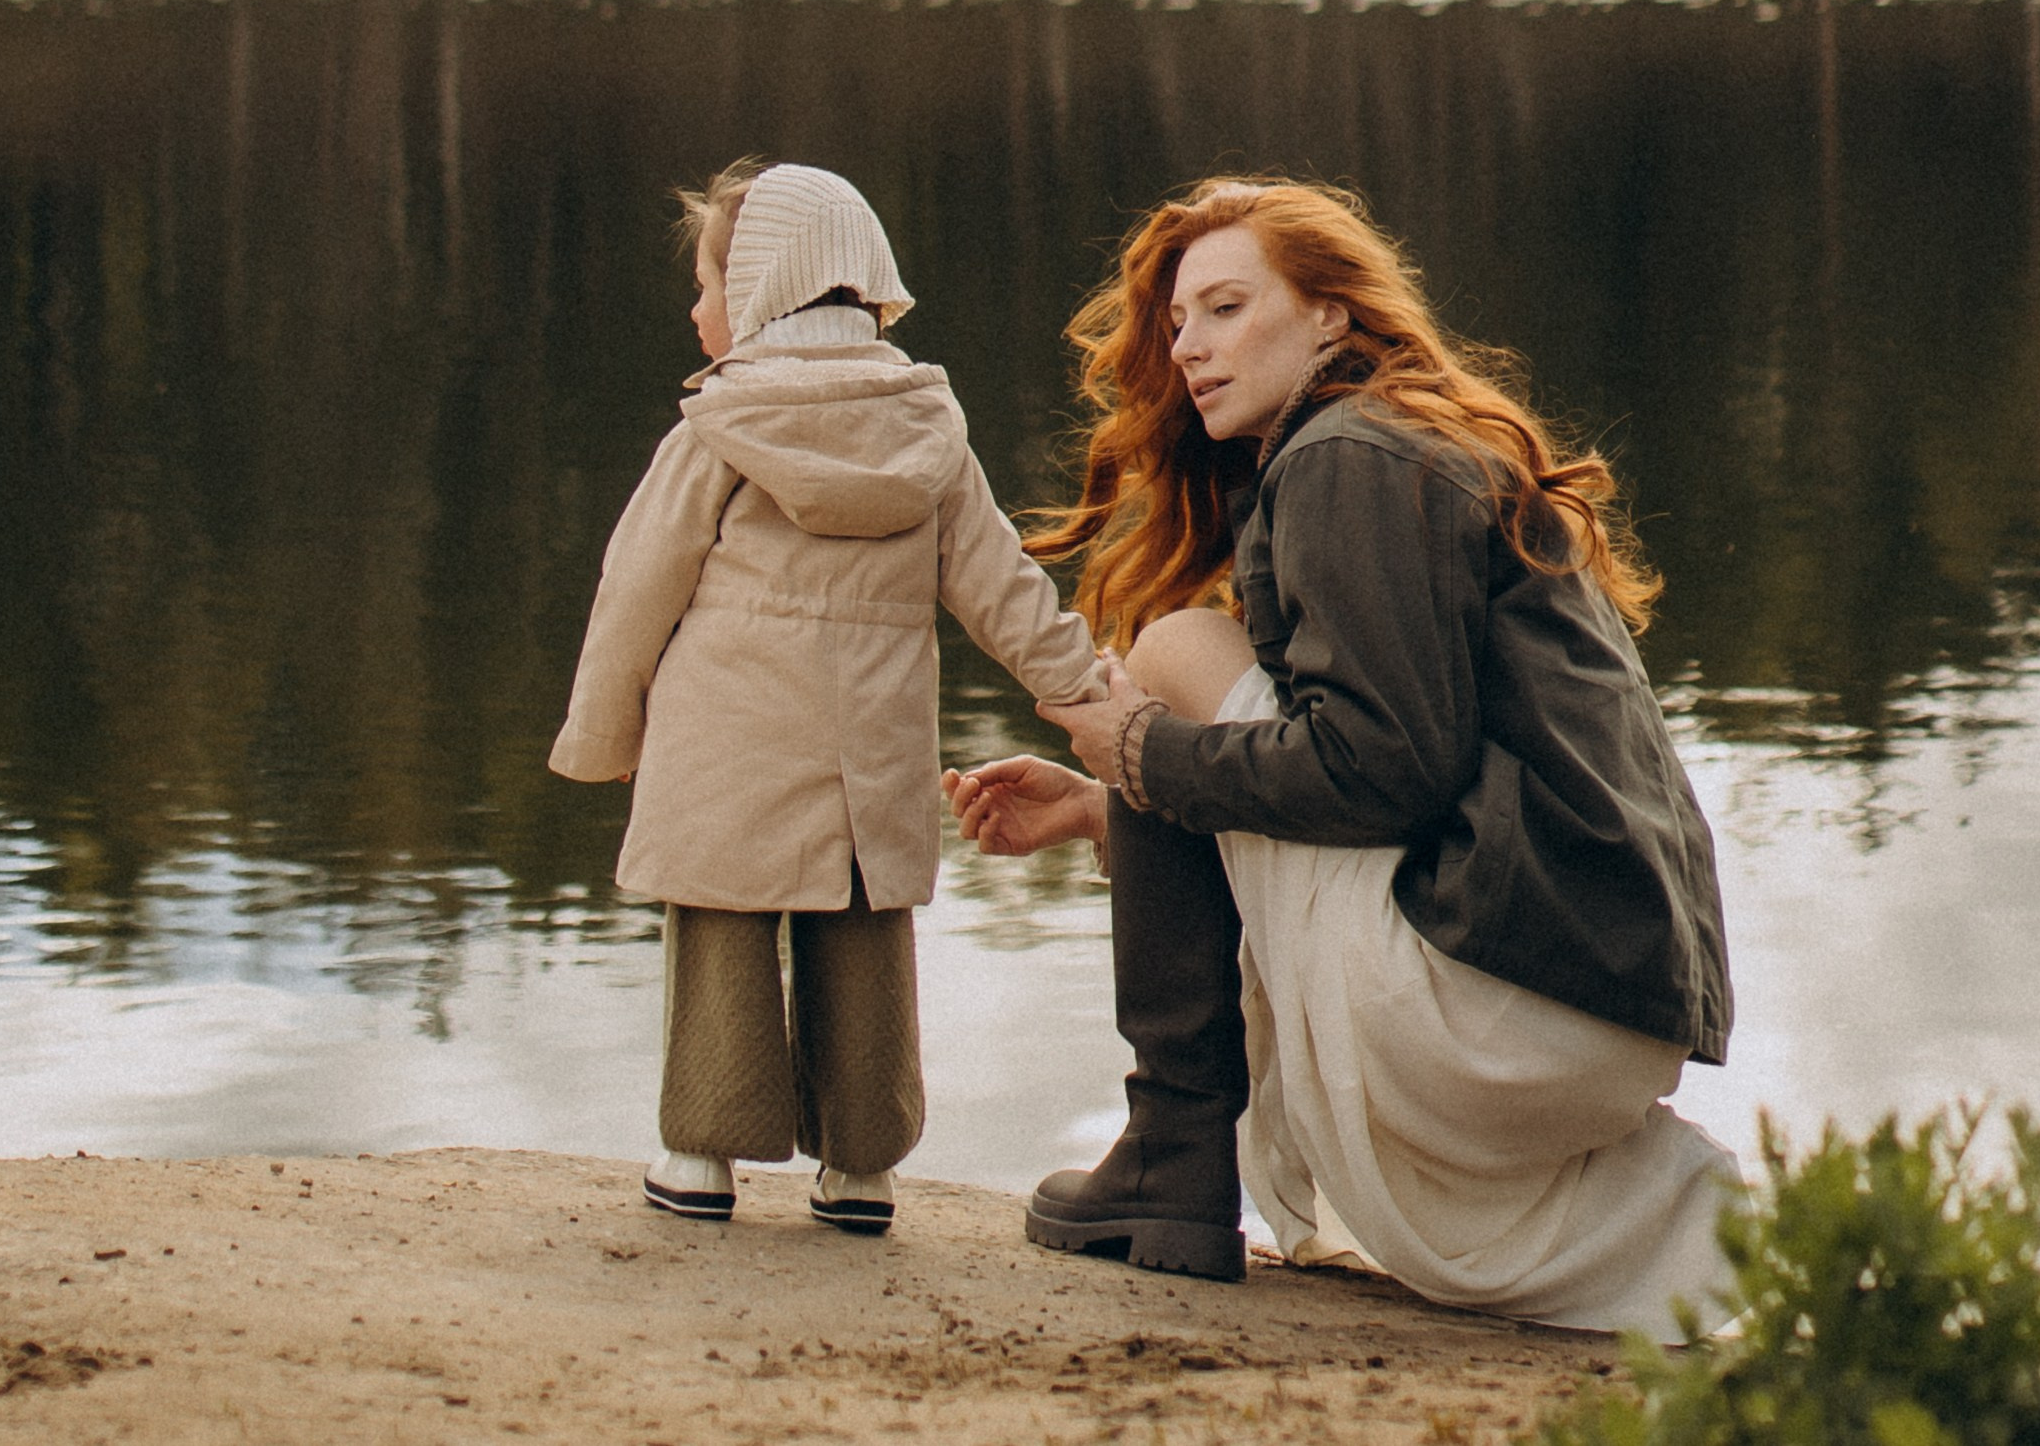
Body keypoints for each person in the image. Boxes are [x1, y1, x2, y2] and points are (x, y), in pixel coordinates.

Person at [946, 176, 1740, 1333]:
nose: (1191, 350)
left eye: (1225, 306)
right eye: (1177, 325)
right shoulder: (1403, 439)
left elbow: (1382, 771)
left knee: (1172, 649)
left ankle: (1174, 1151)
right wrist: (1107, 801)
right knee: (1171, 708)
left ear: (1330, 315)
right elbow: (1413, 769)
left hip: (1511, 994)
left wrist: (1149, 754)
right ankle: (1172, 1158)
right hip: (1604, 1004)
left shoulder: (1346, 456)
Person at [552, 156, 1099, 1235]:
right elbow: (1003, 590)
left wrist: (608, 732)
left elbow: (635, 590)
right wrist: (1093, 695)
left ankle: (700, 1153)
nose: (697, 306)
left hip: (725, 750)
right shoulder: (927, 429)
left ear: (761, 286)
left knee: (720, 931)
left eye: (710, 283)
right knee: (861, 945)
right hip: (873, 760)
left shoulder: (714, 429)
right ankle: (861, 1171)